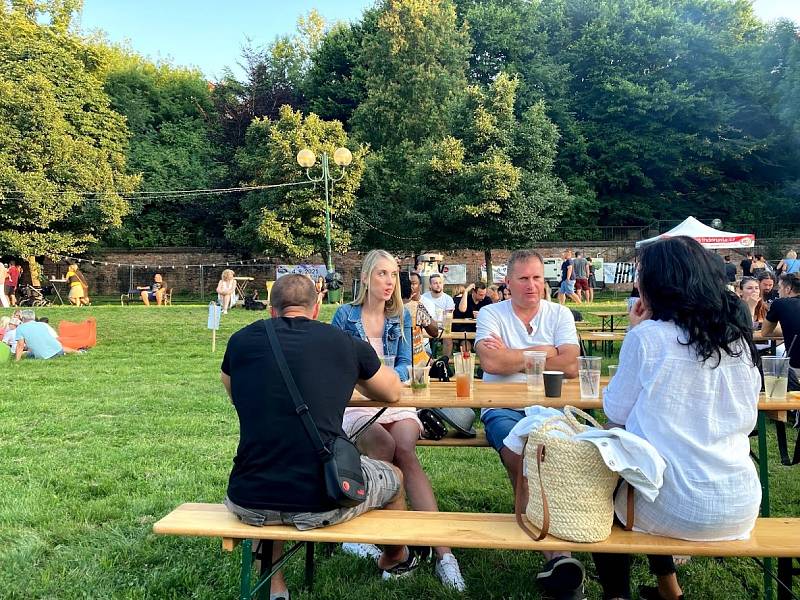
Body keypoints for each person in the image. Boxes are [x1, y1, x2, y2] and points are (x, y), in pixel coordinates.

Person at [221, 274, 415, 599]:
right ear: (317, 307)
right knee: (393, 476)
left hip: (248, 496)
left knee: (274, 477)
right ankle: (396, 557)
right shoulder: (342, 342)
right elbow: (393, 391)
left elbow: (232, 390)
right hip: (323, 498)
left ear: (272, 310)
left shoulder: (240, 341)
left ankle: (276, 588)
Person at [592, 236, 761, 600]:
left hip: (674, 506)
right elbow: (748, 417)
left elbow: (615, 411)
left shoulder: (650, 337)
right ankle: (669, 588)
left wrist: (636, 331)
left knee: (608, 481)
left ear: (657, 285)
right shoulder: (737, 340)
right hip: (740, 502)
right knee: (650, 469)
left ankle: (616, 594)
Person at [332, 250, 464, 590]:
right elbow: (336, 367)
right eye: (382, 274)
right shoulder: (344, 316)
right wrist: (376, 378)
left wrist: (385, 375)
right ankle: (390, 542)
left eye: (393, 274)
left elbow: (407, 363)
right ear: (364, 278)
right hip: (358, 404)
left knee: (404, 447)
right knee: (383, 443)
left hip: (395, 399)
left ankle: (443, 553)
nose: (390, 282)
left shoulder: (401, 315)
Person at [475, 249, 583, 599]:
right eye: (523, 278)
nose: (532, 285)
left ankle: (555, 557)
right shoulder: (492, 312)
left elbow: (570, 365)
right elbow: (491, 362)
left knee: (553, 457)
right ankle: (558, 556)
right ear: (508, 283)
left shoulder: (560, 313)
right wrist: (544, 351)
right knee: (521, 457)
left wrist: (516, 356)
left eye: (537, 277)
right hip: (501, 406)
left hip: (551, 405)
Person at [762, 273, 800, 391]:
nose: (778, 292)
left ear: (788, 289)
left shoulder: (781, 303)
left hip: (796, 365)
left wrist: (787, 328)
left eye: (779, 287)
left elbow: (765, 332)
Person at [400, 272, 438, 365]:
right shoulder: (417, 307)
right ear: (410, 289)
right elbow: (434, 332)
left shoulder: (387, 308)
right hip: (416, 362)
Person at [421, 273, 455, 357]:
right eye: (435, 283)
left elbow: (449, 317)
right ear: (430, 285)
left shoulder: (448, 299)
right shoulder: (423, 298)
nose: (438, 285)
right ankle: (427, 359)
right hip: (426, 326)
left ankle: (445, 361)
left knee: (448, 337)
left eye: (440, 283)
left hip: (442, 326)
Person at [452, 282, 493, 351]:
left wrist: (481, 315)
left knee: (484, 347)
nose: (483, 297)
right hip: (465, 330)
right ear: (474, 292)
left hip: (481, 330)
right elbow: (462, 309)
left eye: (484, 294)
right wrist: (466, 291)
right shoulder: (466, 299)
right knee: (465, 347)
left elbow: (491, 316)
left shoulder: (487, 300)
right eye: (480, 295)